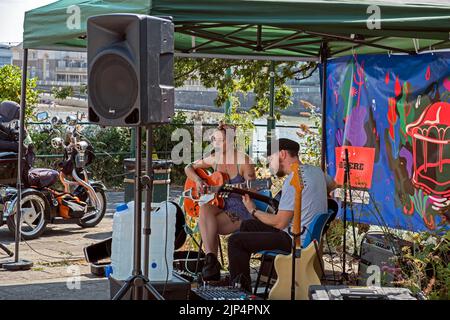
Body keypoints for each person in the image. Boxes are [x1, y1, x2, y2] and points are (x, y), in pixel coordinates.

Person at [227, 138, 336, 292]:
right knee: (247, 225)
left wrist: (252, 210)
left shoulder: (293, 180)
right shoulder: (317, 171)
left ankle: (240, 292)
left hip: (294, 239)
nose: (270, 164)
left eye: (271, 158)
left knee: (235, 241)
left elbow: (280, 223)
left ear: (283, 154)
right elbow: (333, 185)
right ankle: (243, 279)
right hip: (308, 236)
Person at [184, 122, 256, 281]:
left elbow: (253, 190)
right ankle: (211, 260)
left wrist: (231, 189)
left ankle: (211, 265)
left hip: (241, 209)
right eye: (213, 139)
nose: (215, 143)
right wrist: (197, 180)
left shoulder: (244, 161)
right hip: (219, 206)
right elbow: (188, 167)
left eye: (220, 140)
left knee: (209, 223)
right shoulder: (214, 158)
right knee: (205, 209)